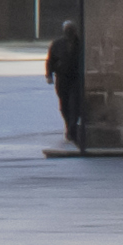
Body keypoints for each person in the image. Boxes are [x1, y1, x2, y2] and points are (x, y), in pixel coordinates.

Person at [47, 18, 87, 153]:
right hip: (62, 78)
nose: (70, 32)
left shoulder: (81, 44)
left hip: (76, 78)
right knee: (64, 104)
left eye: (71, 29)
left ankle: (72, 128)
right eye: (67, 30)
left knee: (74, 104)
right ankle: (69, 125)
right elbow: (50, 60)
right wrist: (49, 75)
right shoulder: (57, 44)